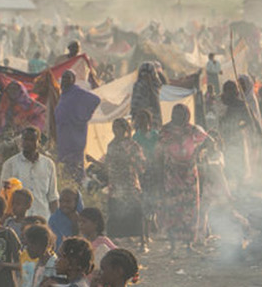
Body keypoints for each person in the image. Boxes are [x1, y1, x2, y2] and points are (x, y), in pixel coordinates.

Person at [156, 104, 213, 252]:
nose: (177, 116)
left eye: (180, 113)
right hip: (172, 175)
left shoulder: (192, 130)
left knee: (190, 208)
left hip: (189, 176)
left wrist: (198, 153)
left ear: (186, 115)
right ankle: (173, 246)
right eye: (175, 113)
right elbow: (159, 152)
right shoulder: (165, 130)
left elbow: (209, 141)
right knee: (172, 208)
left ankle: (189, 245)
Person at [103, 117, 147, 248]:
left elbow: (141, 163)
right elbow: (108, 163)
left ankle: (142, 241)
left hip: (129, 183)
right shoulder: (111, 145)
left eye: (118, 127)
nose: (116, 130)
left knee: (136, 210)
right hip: (115, 184)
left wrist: (130, 161)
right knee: (115, 210)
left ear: (125, 129)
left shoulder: (132, 145)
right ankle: (114, 240)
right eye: (114, 127)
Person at [0, 127, 60, 219]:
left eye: (32, 140)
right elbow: (4, 196)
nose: (28, 143)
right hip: (19, 219)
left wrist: (56, 220)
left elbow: (52, 197)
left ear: (39, 142)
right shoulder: (10, 165)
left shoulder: (48, 164)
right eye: (25, 139)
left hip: (43, 218)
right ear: (21, 141)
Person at [53, 70, 100, 181]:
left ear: (73, 80)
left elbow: (95, 100)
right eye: (64, 77)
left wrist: (81, 118)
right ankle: (67, 182)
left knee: (75, 163)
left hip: (75, 135)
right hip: (64, 134)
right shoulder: (64, 93)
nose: (65, 80)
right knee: (64, 163)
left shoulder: (77, 92)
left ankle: (78, 183)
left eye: (68, 78)